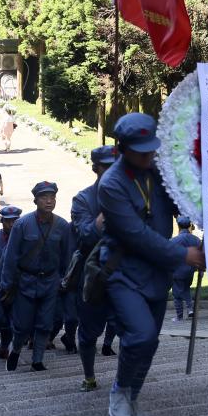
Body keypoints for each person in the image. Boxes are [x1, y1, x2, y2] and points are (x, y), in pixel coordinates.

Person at [99, 113, 205, 416]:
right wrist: (183, 255)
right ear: (121, 149)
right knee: (141, 334)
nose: (149, 154)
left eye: (152, 148)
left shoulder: (157, 171)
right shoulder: (111, 185)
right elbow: (136, 236)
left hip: (157, 272)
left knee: (152, 340)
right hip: (124, 271)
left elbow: (185, 203)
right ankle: (118, 389)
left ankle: (133, 396)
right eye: (141, 150)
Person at [0, 182, 74, 372]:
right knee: (22, 324)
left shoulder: (62, 226)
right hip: (26, 281)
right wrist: (7, 284)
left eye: (52, 197)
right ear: (35, 200)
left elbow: (67, 257)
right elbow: (11, 257)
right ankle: (15, 349)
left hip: (50, 281)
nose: (49, 201)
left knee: (45, 323)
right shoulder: (22, 225)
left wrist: (65, 280)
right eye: (44, 197)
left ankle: (37, 359)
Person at [71, 145, 120, 392]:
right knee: (89, 333)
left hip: (124, 274)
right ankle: (89, 376)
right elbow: (84, 235)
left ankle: (125, 381)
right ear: (96, 169)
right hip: (94, 278)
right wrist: (101, 220)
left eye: (116, 166)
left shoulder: (130, 195)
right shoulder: (83, 199)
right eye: (106, 167)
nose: (112, 171)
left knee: (131, 329)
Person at [171, 217, 200, 321]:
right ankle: (190, 309)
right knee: (186, 289)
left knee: (176, 293)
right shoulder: (196, 240)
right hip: (190, 270)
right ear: (189, 226)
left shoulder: (174, 240)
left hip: (178, 270)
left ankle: (179, 316)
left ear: (178, 226)